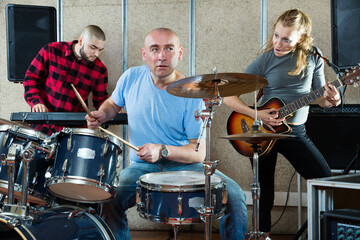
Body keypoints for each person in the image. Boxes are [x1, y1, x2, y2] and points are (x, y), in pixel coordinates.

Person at [86, 28, 247, 240]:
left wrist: (161, 150)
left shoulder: (192, 92)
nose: (161, 56)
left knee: (235, 196)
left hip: (184, 165)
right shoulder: (131, 78)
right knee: (108, 197)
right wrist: (102, 114)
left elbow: (198, 154)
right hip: (141, 167)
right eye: (155, 49)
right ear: (145, 54)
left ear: (179, 53)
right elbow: (112, 104)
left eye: (168, 49)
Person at [223, 9, 341, 236]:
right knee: (264, 193)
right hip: (263, 132)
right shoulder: (266, 59)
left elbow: (319, 98)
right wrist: (256, 114)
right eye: (276, 35)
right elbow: (228, 95)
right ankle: (262, 235)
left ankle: (328, 232)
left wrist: (333, 100)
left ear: (301, 39)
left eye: (286, 39)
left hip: (295, 132)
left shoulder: (314, 56)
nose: (278, 43)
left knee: (325, 183)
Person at [23, 25, 109, 135]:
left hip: (75, 131)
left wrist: (112, 109)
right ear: (81, 40)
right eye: (93, 48)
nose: (97, 54)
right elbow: (31, 78)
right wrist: (36, 102)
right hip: (44, 124)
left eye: (100, 50)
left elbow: (100, 100)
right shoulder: (51, 50)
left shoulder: (100, 69)